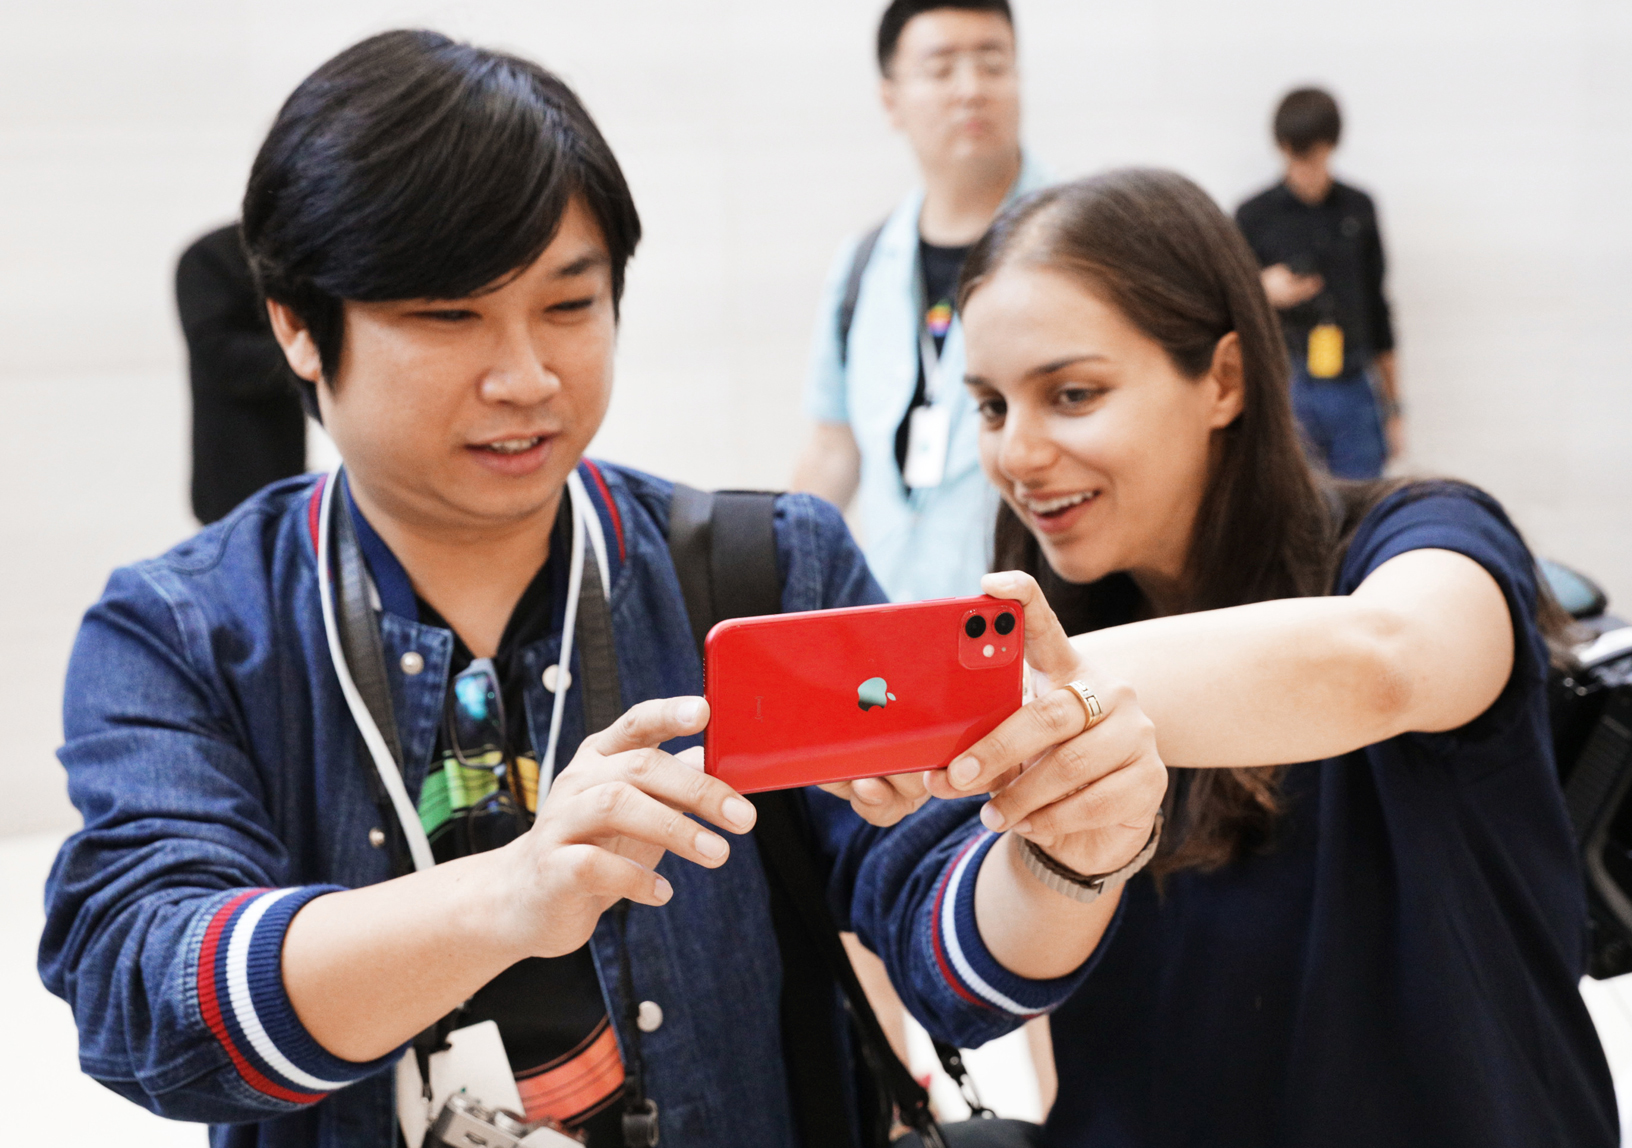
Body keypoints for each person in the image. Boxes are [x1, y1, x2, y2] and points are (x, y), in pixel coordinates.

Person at [37, 31, 1150, 1148]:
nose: (526, 375)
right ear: (297, 326)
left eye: (570, 306)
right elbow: (152, 998)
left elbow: (950, 949)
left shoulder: (768, 569)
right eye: (449, 316)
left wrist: (1065, 855)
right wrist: (508, 896)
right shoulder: (186, 629)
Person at [896, 168, 1612, 1146]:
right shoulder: (1067, 648)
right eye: (990, 406)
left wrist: (1005, 697)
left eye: (1072, 393)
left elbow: (1385, 658)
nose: (1018, 452)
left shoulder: (1425, 541)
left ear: (1225, 379)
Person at [792, 0, 1048, 602]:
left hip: (1045, 630)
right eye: (940, 69)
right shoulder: (863, 263)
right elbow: (834, 448)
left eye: (993, 64)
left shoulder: (1082, 242)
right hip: (893, 638)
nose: (971, 90)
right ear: (891, 99)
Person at [1235, 88, 1401, 480]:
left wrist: (1394, 408)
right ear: (1282, 148)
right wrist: (1260, 290)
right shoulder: (1254, 215)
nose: (1306, 168)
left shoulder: (1358, 209)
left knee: (1362, 502)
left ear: (1332, 146)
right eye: (1297, 155)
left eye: (1315, 153)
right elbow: (1221, 308)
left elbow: (1379, 309)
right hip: (1285, 380)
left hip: (1353, 379)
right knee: (1291, 502)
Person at [177, 223, 307, 523]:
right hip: (232, 470)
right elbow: (221, 356)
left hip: (286, 470)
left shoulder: (296, 255)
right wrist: (313, 348)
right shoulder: (210, 257)